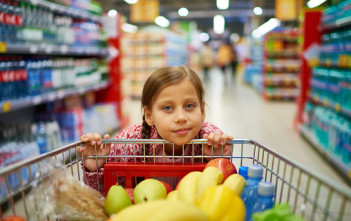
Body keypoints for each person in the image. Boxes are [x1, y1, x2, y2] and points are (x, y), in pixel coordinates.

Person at [78, 66, 233, 194]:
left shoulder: (211, 139)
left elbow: (223, 194)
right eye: (167, 108)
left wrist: (218, 160)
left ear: (203, 111)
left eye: (189, 106)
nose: (181, 117)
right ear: (149, 116)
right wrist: (95, 168)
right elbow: (106, 196)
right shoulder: (130, 142)